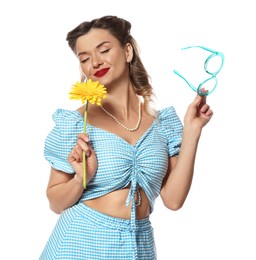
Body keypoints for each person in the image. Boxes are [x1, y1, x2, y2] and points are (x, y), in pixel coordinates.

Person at [40, 15, 213, 260]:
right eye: (85, 58)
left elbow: (173, 200)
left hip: (138, 246)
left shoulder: (161, 124)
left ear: (128, 51)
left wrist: (193, 131)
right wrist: (80, 179)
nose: (95, 62)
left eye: (104, 50)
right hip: (78, 244)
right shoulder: (78, 124)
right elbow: (55, 203)